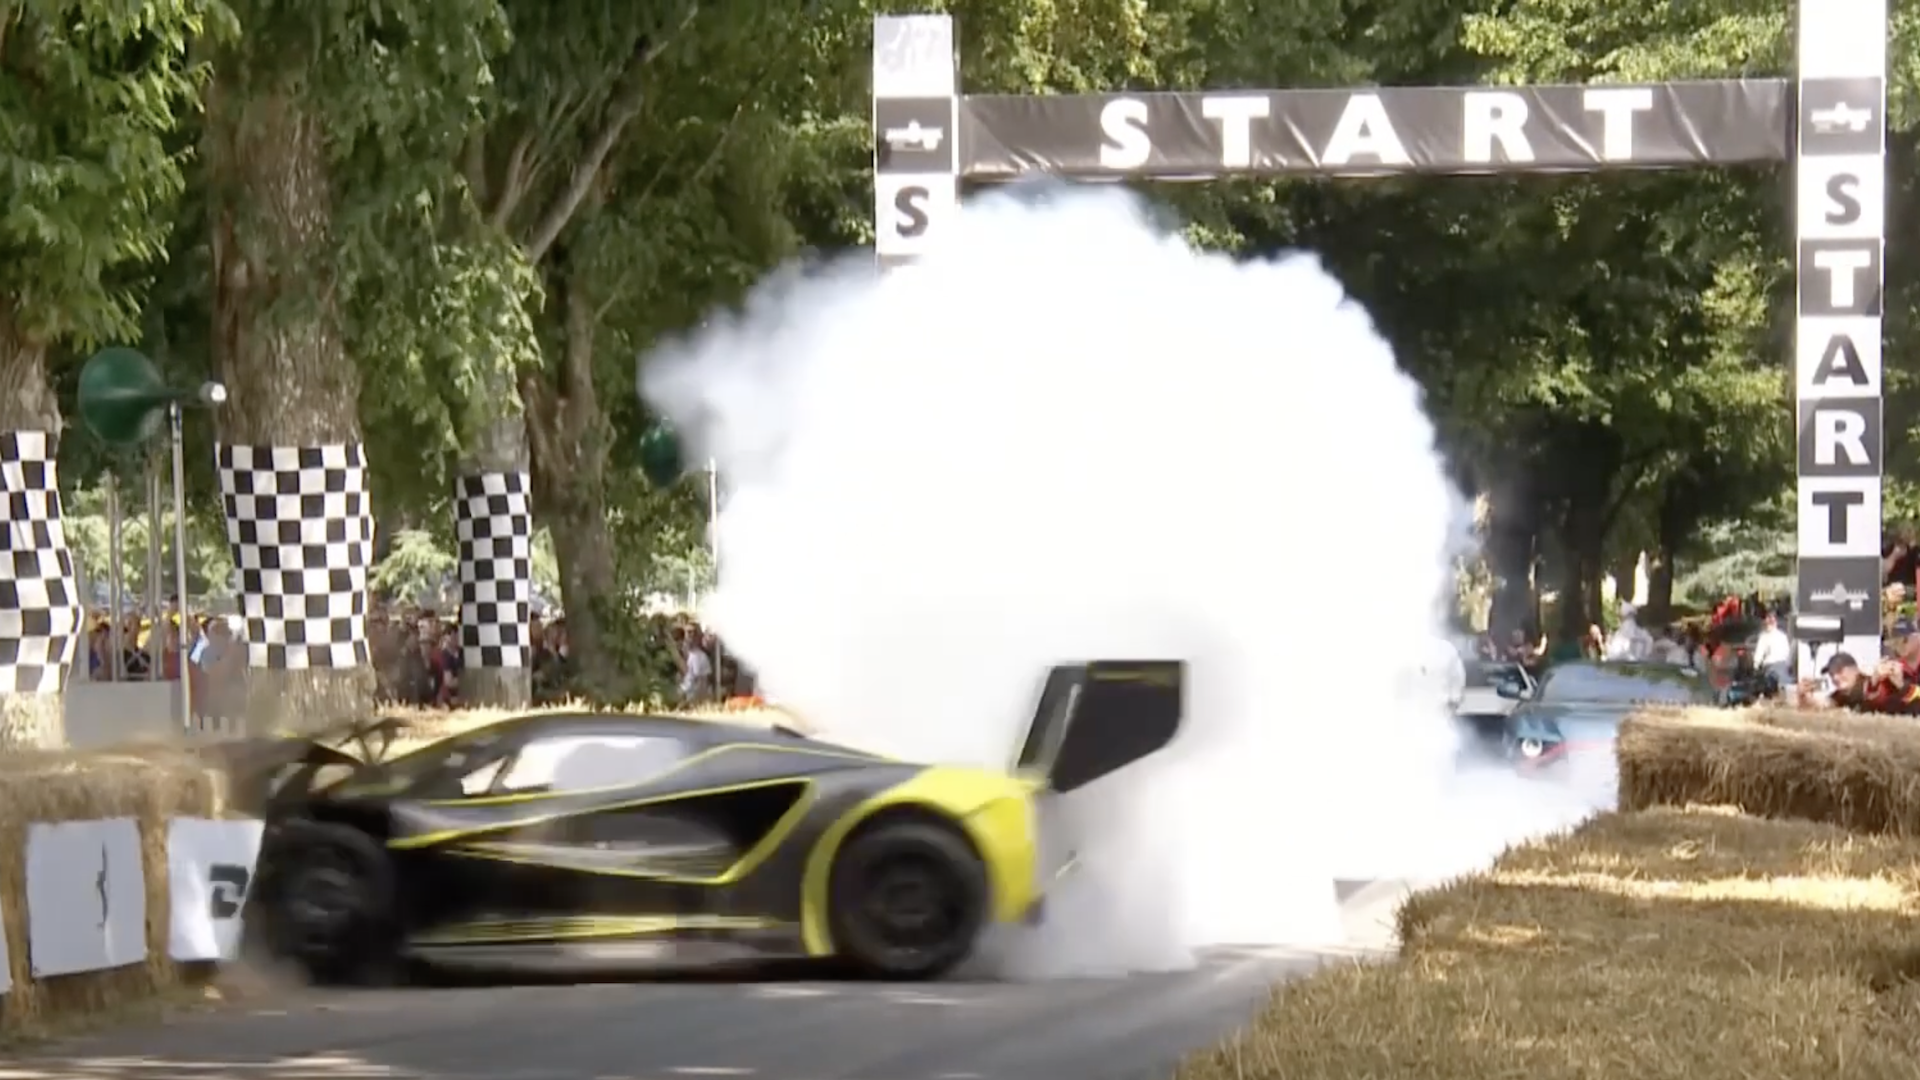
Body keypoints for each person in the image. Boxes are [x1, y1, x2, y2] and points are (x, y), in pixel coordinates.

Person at [1750, 611, 1793, 690]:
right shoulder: (1783, 636)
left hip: (1770, 667)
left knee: (1767, 686)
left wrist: (1755, 667)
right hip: (1783, 666)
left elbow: (1759, 654)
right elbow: (1788, 654)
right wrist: (1788, 666)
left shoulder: (1765, 636)